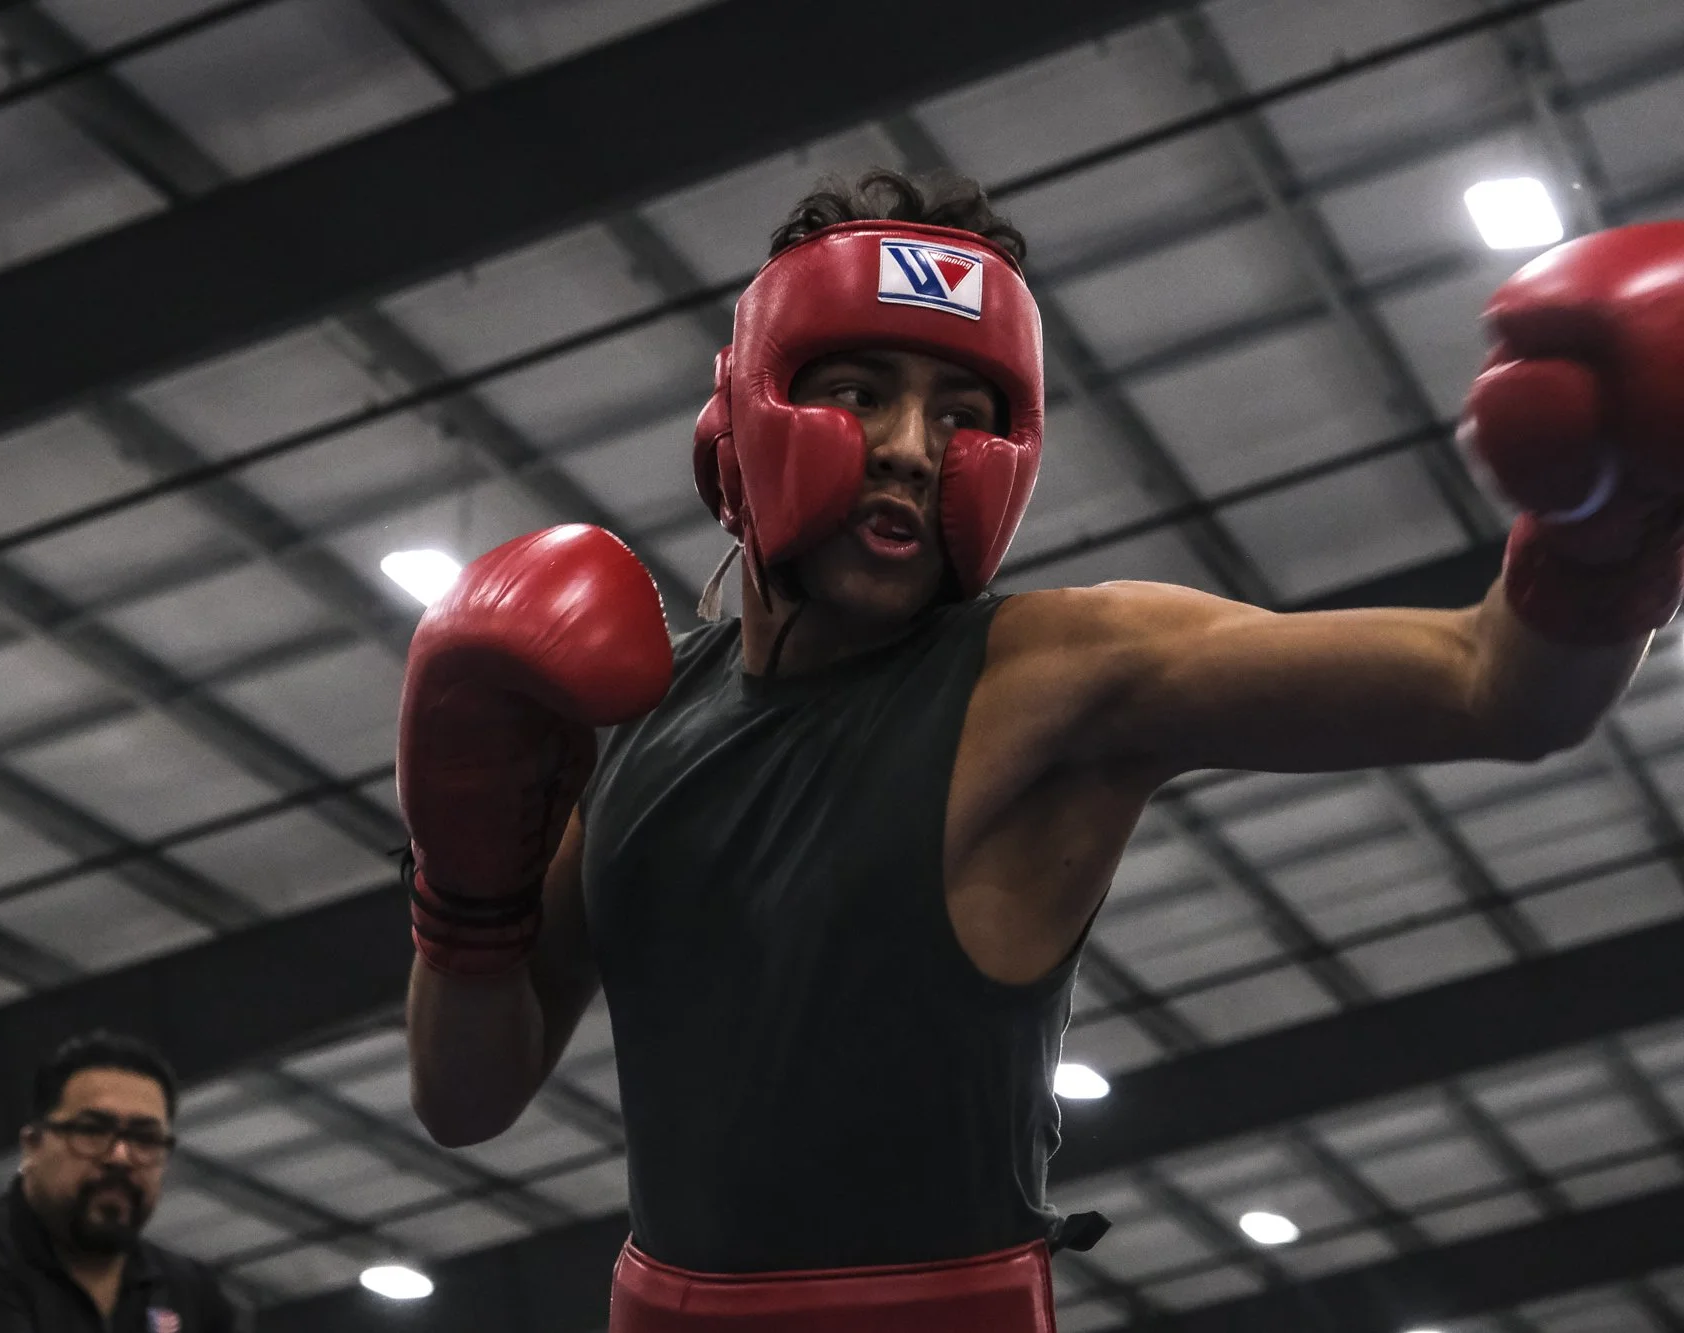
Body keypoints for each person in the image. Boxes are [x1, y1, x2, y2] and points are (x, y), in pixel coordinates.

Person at [398, 169, 1684, 1332]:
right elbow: (467, 1096)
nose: (911, 446)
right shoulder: (637, 712)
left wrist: (1608, 524)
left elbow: (1494, 688)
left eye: (964, 411)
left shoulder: (1060, 673)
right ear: (736, 425)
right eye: (859, 392)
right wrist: (463, 884)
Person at [0, 1030, 238, 1333]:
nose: (120, 1157)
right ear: (32, 1145)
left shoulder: (187, 1291)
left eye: (144, 1139)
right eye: (92, 1131)